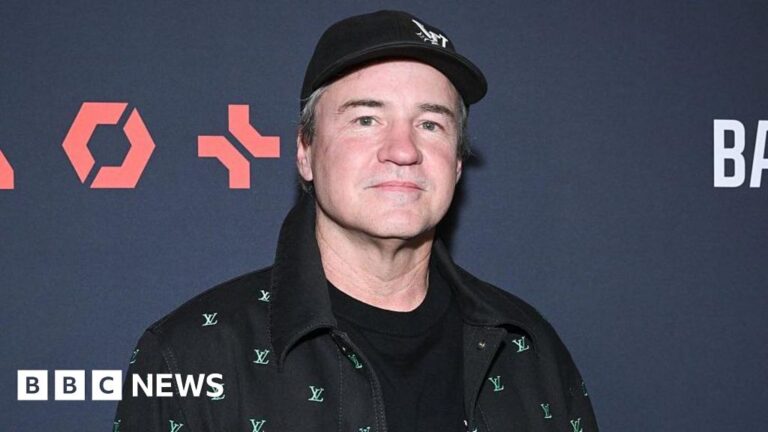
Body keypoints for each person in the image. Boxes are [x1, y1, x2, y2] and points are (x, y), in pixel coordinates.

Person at [115, 10, 598, 432]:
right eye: (366, 119)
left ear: (456, 163)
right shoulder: (190, 355)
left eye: (430, 124)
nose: (403, 150)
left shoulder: (527, 347)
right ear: (305, 151)